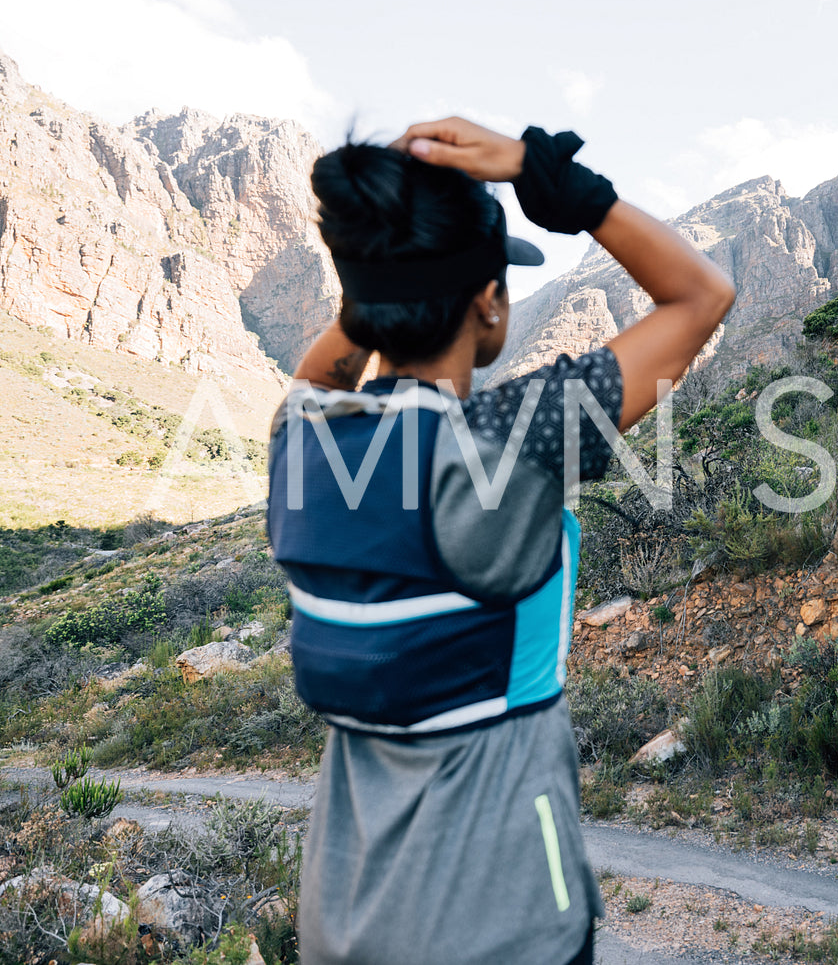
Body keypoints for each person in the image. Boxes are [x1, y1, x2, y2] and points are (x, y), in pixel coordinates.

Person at [265, 118, 734, 965]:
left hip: (342, 921)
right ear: (489, 301)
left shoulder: (299, 440)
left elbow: (314, 373)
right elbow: (700, 298)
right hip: (503, 926)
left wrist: (381, 281)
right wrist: (551, 181)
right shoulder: (498, 446)